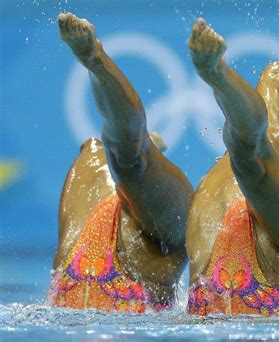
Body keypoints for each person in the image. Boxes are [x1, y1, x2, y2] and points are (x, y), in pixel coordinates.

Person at [48, 12, 194, 313]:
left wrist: (92, 59)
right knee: (111, 153)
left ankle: (94, 58)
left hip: (160, 217)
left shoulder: (162, 230)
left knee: (127, 156)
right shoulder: (90, 172)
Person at [186, 18, 279, 316]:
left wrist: (216, 74)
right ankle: (270, 87)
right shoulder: (210, 225)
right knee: (252, 151)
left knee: (248, 153)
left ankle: (224, 75)